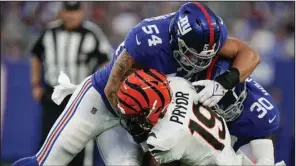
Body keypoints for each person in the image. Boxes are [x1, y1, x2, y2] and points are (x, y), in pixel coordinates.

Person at [12, 2, 274, 166]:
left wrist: (223, 84)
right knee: (50, 160)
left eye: (208, 55)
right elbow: (112, 87)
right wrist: (140, 129)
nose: (200, 62)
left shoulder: (204, 42)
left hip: (145, 113)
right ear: (177, 41)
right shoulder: (147, 40)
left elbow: (250, 54)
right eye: (195, 55)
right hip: (104, 102)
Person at [115, 68, 286, 166]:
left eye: (135, 114)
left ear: (152, 109)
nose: (132, 118)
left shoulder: (163, 139)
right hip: (230, 157)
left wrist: (141, 137)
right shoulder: (180, 86)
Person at [29, 1, 112, 166]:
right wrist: (36, 84)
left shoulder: (92, 33)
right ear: (62, 12)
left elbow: (106, 61)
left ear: (81, 12)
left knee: (79, 141)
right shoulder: (50, 31)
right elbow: (36, 55)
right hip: (53, 95)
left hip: (79, 95)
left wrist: (98, 87)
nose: (70, 15)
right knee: (49, 140)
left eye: (74, 11)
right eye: (68, 11)